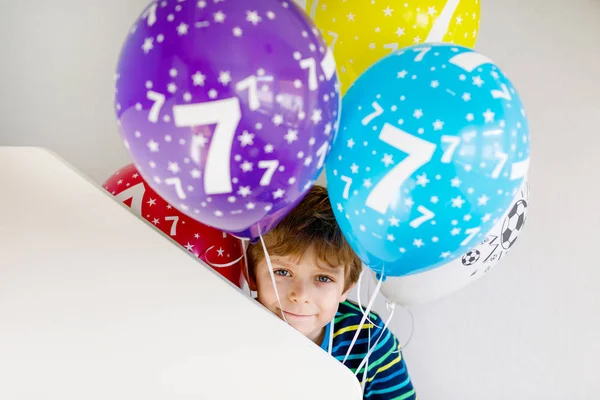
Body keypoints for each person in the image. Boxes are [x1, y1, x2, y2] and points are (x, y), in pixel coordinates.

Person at [246, 185, 417, 399]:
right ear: (251, 276)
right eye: (282, 272)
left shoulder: (369, 340)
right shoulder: (234, 328)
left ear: (346, 287)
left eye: (323, 278)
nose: (301, 295)